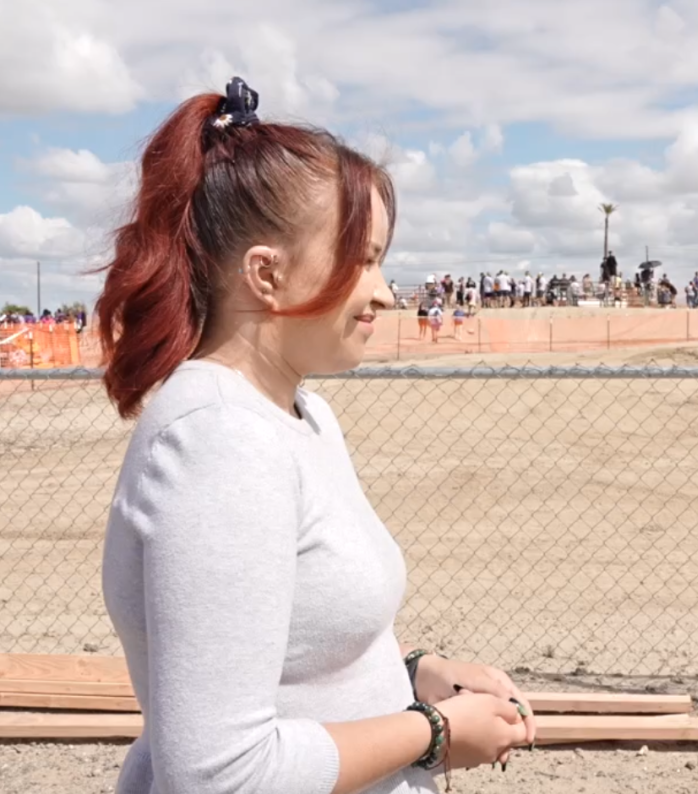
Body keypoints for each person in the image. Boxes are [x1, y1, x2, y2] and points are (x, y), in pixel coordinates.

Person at [94, 77, 533, 794]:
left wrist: (414, 673)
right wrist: (434, 732)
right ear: (266, 273)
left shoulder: (301, 414)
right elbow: (219, 775)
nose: (384, 290)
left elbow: (296, 657)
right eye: (363, 259)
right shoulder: (218, 444)